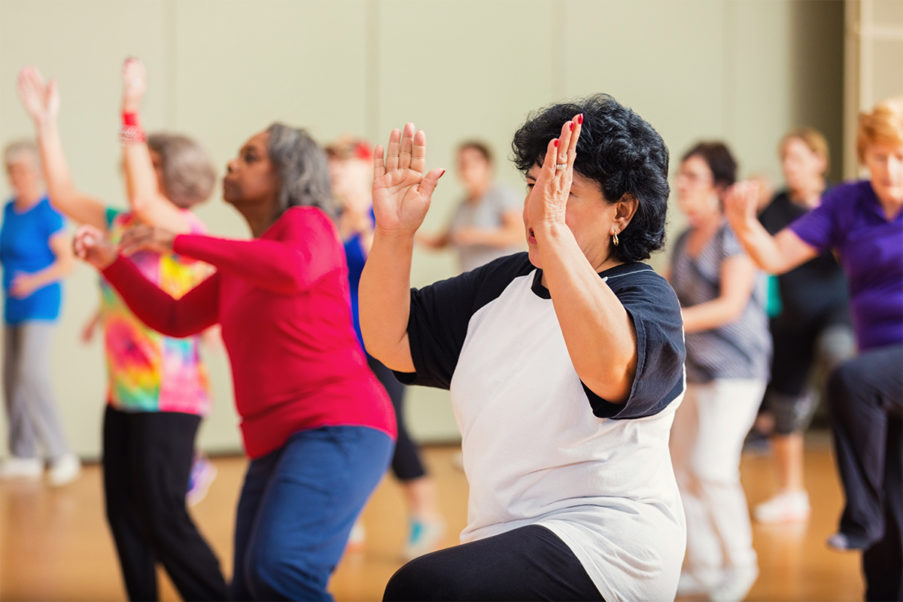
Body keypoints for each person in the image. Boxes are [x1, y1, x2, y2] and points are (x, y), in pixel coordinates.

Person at [361, 95, 686, 601]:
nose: (536, 206)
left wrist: (552, 233)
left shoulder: (646, 297)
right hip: (505, 540)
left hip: (607, 546)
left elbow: (610, 372)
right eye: (534, 185)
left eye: (562, 192)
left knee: (423, 588)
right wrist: (394, 235)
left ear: (621, 211)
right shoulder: (504, 283)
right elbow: (391, 341)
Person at [73, 122, 397, 601]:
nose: (231, 164)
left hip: (338, 427)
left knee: (280, 571)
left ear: (286, 171)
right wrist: (110, 264)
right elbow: (174, 316)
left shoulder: (309, 222)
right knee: (248, 586)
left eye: (250, 157)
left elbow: (293, 269)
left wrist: (177, 242)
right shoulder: (242, 263)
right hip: (274, 442)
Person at [18, 62, 227, 600]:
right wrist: (46, 122)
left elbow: (145, 201)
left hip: (170, 397)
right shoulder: (122, 222)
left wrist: (129, 110)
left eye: (147, 161)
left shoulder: (181, 228)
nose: (132, 167)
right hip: (124, 395)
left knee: (164, 519)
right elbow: (62, 193)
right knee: (124, 517)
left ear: (168, 173)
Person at [725, 96, 903, 601]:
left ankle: (858, 514)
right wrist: (743, 222)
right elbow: (775, 256)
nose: (890, 169)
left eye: (901, 156)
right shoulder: (848, 203)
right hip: (883, 381)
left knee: (848, 377)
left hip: (877, 374)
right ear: (864, 155)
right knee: (893, 523)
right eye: (880, 156)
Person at [326, 136, 444, 560]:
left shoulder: (384, 213)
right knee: (344, 428)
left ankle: (425, 516)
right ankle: (349, 518)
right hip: (341, 343)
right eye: (330, 168)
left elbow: (384, 263)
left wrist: (361, 220)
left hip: (382, 340)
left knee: (390, 427)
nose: (333, 174)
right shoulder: (332, 216)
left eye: (340, 166)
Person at [668, 141, 771, 600]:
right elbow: (665, 291)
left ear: (720, 187)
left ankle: (740, 564)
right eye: (681, 177)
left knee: (711, 467)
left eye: (693, 177)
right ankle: (706, 568)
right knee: (680, 469)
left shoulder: (734, 234)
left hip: (738, 370)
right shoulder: (683, 240)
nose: (682, 186)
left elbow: (730, 306)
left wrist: (668, 320)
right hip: (695, 370)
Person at [753, 128, 854, 524]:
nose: (790, 167)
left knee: (837, 354)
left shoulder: (839, 203)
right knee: (784, 406)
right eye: (785, 160)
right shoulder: (776, 207)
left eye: (798, 158)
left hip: (835, 311)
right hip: (790, 319)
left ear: (820, 161)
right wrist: (750, 204)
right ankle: (791, 495)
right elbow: (752, 246)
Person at [0, 139, 78, 485]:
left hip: (41, 302)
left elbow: (67, 262)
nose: (17, 177)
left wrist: (32, 281)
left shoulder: (48, 211)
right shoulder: (8, 210)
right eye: (11, 171)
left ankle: (61, 453)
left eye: (22, 170)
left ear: (36, 172)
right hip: (13, 302)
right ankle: (23, 453)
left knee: (32, 374)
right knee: (12, 378)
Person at [417, 140, 522, 272]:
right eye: (461, 163)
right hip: (472, 285)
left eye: (472, 162)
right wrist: (407, 232)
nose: (466, 168)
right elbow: (440, 242)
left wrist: (476, 235)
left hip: (503, 280)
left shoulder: (500, 195)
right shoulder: (461, 205)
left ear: (487, 165)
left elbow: (518, 234)